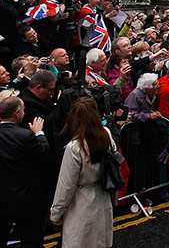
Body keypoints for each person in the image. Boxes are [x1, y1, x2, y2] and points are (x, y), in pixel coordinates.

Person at [0, 96, 48, 247]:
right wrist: (39, 133)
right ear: (17, 113)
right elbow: (42, 152)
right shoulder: (26, 136)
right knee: (31, 239)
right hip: (26, 198)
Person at [50, 98, 114, 247]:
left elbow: (66, 185)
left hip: (80, 203)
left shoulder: (75, 147)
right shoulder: (106, 134)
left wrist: (56, 213)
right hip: (102, 197)